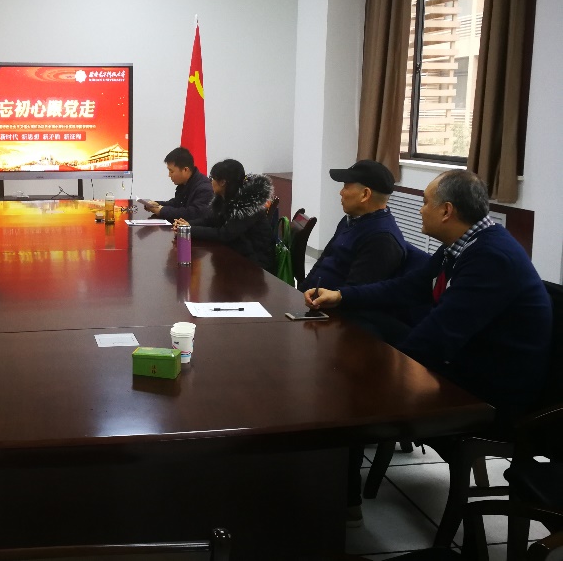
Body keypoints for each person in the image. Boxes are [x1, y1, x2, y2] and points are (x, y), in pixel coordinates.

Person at [306, 170, 552, 525]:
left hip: (490, 392)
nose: (420, 209)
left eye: (425, 202)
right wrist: (343, 296)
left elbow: (440, 335)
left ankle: (341, 505)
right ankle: (334, 488)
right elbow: (408, 288)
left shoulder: (491, 257)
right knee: (352, 364)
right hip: (466, 364)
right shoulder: (462, 244)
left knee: (351, 387)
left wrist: (382, 373)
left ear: (447, 211)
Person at [300, 160, 408, 293]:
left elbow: (353, 296)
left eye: (346, 186)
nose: (341, 192)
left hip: (327, 305)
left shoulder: (381, 240)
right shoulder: (352, 219)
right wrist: (300, 292)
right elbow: (324, 260)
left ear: (365, 194)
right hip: (310, 298)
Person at [172, 160, 276, 273]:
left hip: (255, 264)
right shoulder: (224, 197)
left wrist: (189, 230)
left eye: (212, 178)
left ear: (222, 182)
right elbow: (210, 220)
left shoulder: (247, 205)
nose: (210, 182)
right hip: (236, 254)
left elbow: (224, 234)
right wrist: (187, 225)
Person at [142, 147, 214, 222]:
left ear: (185, 170)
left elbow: (192, 214)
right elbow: (176, 203)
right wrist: (157, 204)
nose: (169, 175)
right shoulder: (184, 183)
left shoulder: (204, 189)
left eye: (171, 171)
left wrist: (161, 211)